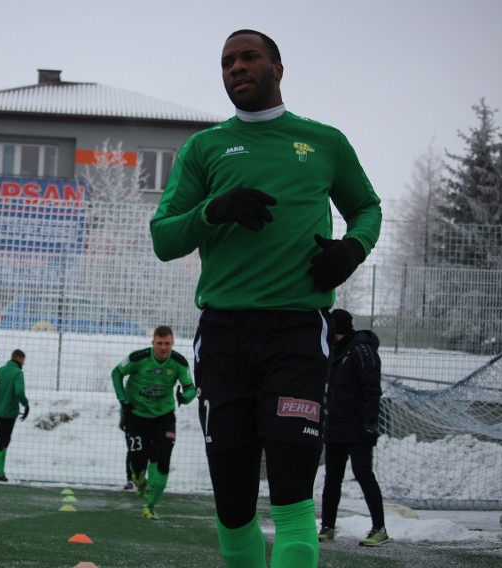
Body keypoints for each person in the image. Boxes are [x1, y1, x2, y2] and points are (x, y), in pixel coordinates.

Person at [149, 29, 381, 568]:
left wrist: (353, 248)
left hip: (298, 334)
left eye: (248, 57)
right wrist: (214, 210)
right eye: (227, 61)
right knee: (233, 504)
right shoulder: (204, 147)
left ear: (278, 67)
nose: (236, 67)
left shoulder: (324, 142)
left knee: (294, 498)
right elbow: (164, 238)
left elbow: (366, 207)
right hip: (225, 337)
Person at [319, 309, 388, 546]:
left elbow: (372, 389)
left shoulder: (362, 351)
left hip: (358, 428)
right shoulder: (334, 352)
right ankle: (327, 527)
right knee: (332, 479)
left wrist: (369, 423)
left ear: (336, 329)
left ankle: (379, 529)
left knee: (364, 475)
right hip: (335, 427)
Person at [111, 325, 196, 520]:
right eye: (159, 343)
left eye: (167, 343)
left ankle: (150, 506)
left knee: (163, 458)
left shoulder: (179, 362)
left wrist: (185, 397)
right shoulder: (138, 358)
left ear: (172, 343)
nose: (163, 348)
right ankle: (138, 478)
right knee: (138, 459)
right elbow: (116, 373)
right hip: (136, 415)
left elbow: (191, 387)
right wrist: (123, 400)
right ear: (153, 343)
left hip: (164, 417)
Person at [0, 349, 29, 484]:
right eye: (23, 360)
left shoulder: (0, 370)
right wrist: (26, 405)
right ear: (19, 358)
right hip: (9, 412)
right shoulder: (17, 373)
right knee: (3, 439)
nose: (24, 363)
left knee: (4, 439)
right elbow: (19, 391)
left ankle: (1, 473)